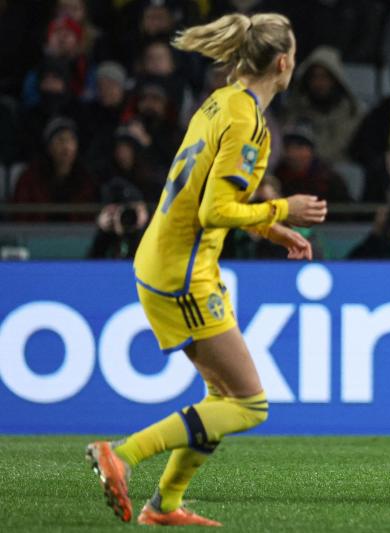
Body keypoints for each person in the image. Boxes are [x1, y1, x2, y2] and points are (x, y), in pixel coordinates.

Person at [84, 13, 327, 527]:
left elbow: (206, 197)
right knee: (251, 405)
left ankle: (164, 506)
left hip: (169, 258)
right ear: (283, 63)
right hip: (182, 271)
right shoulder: (250, 123)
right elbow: (214, 210)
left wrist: (269, 230)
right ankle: (120, 456)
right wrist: (284, 209)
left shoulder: (220, 100)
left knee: (221, 397)